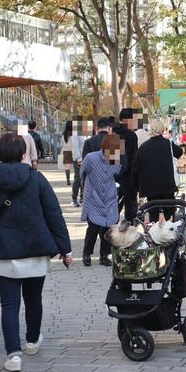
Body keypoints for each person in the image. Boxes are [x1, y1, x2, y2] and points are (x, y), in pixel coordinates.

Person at [0, 133, 73, 372]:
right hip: (36, 251)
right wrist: (65, 249)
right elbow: (54, 215)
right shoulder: (36, 179)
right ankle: (32, 341)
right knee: (34, 299)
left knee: (9, 305)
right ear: (23, 154)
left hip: (3, 253)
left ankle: (13, 356)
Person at [79, 132, 123, 267]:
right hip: (93, 196)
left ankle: (104, 255)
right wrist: (85, 187)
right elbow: (82, 173)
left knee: (108, 227)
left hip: (109, 197)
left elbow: (117, 174)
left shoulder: (116, 160)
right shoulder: (91, 158)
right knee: (93, 227)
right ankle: (87, 254)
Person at [133, 117, 183, 220]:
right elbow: (179, 152)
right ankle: (170, 234)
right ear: (162, 129)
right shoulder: (168, 144)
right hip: (167, 186)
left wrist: (137, 187)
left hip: (150, 188)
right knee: (169, 215)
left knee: (153, 214)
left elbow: (135, 169)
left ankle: (154, 234)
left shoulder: (143, 148)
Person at [116, 108, 141, 222]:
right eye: (134, 119)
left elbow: (110, 158)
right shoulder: (131, 135)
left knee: (113, 204)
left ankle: (110, 229)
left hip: (113, 175)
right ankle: (129, 228)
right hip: (128, 177)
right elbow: (133, 158)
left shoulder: (113, 132)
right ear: (126, 120)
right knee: (130, 205)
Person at [70, 119, 90, 207]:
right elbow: (75, 147)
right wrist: (79, 158)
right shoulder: (76, 134)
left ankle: (83, 198)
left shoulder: (88, 134)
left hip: (87, 159)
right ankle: (74, 199)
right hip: (79, 159)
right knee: (78, 179)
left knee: (85, 178)